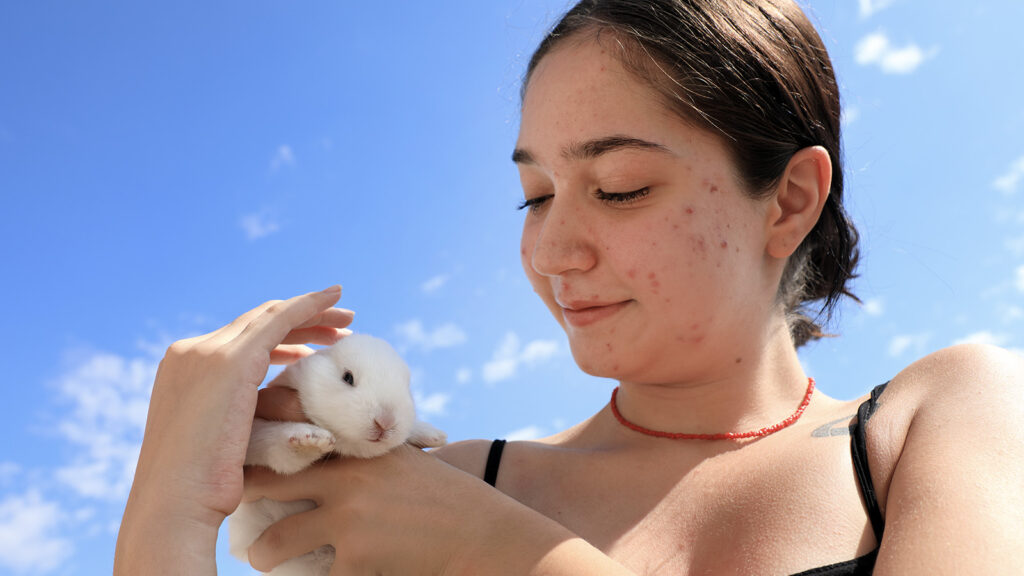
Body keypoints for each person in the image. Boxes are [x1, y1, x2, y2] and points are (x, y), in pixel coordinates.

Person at [115, 0, 1024, 574]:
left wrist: (510, 555)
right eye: (534, 194)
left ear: (787, 201)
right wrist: (167, 507)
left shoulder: (947, 419)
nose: (551, 251)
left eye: (618, 187)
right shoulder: (428, 482)